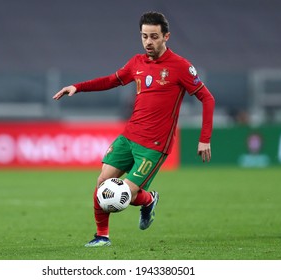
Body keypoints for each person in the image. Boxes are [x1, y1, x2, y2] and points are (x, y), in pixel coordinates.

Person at [53, 11, 215, 247]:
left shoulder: (180, 67)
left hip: (154, 146)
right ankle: (102, 236)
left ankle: (148, 200)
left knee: (124, 195)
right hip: (129, 137)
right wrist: (77, 87)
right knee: (102, 185)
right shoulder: (136, 63)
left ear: (166, 36)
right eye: (144, 36)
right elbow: (110, 80)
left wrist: (205, 139)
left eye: (154, 36)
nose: (148, 42)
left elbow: (207, 99)